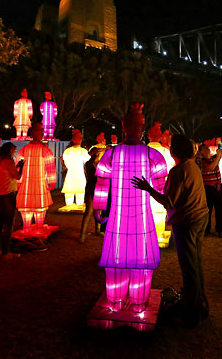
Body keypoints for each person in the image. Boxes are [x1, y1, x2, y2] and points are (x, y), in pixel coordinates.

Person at [93, 103, 167, 313]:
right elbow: (161, 189)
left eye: (138, 125)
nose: (137, 129)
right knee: (137, 260)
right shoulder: (152, 155)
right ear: (127, 127)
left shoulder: (112, 154)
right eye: (135, 125)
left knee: (119, 259)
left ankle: (121, 299)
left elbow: (102, 181)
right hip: (137, 220)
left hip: (120, 219)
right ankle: (133, 300)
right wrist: (98, 206)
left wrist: (99, 207)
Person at [132, 133, 209, 327]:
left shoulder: (178, 171)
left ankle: (192, 312)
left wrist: (148, 188)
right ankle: (198, 301)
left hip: (186, 221)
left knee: (189, 266)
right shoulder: (193, 166)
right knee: (196, 262)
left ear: (174, 151)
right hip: (200, 217)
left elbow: (169, 201)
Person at [15, 123, 56, 231]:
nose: (42, 133)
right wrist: (51, 182)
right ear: (33, 133)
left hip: (30, 186)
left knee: (32, 207)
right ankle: (30, 226)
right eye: (39, 131)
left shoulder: (25, 150)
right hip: (34, 186)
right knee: (35, 207)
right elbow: (18, 168)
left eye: (42, 131)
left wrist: (51, 181)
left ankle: (35, 226)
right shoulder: (42, 150)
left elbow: (50, 168)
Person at [0, 142, 22, 259]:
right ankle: (6, 252)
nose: (14, 153)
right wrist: (21, 167)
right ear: (9, 151)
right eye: (14, 151)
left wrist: (16, 166)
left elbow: (6, 172)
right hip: (8, 194)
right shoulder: (8, 161)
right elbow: (17, 176)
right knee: (9, 223)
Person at [198, 142, 222, 237]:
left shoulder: (214, 158)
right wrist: (218, 157)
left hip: (218, 188)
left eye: (208, 148)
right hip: (208, 189)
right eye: (205, 148)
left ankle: (219, 230)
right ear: (200, 152)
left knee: (220, 210)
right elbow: (210, 167)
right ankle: (206, 230)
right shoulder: (201, 162)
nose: (208, 149)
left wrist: (220, 143)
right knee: (208, 211)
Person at [60, 130, 90, 210]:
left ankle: (79, 203)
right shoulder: (69, 151)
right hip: (74, 173)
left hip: (77, 173)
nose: (79, 140)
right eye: (78, 138)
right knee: (70, 189)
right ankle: (69, 204)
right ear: (73, 139)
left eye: (80, 138)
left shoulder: (82, 151)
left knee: (79, 190)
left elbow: (87, 160)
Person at [79, 147, 104, 242]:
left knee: (98, 211)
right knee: (89, 212)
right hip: (91, 189)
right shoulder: (90, 164)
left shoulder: (99, 164)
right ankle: (82, 234)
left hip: (98, 189)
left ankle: (97, 230)